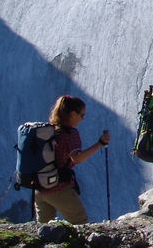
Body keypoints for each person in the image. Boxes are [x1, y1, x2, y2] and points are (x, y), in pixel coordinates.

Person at [35, 94, 110, 224]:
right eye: (82, 115)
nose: (82, 119)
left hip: (39, 188)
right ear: (73, 114)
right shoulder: (70, 134)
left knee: (44, 227)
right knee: (80, 222)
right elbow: (77, 158)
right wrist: (100, 144)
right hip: (58, 188)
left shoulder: (48, 130)